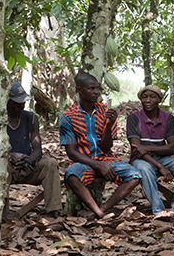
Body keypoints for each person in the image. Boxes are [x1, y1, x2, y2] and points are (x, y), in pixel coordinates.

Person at [57, 72, 141, 217]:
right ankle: (98, 212)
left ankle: (102, 210)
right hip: (83, 162)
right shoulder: (68, 117)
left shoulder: (105, 111)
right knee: (71, 175)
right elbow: (71, 153)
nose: (96, 92)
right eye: (91, 89)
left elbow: (106, 147)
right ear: (80, 90)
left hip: (106, 159)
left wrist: (108, 125)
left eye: (97, 88)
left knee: (134, 176)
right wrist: (97, 165)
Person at [3, 81, 61, 220]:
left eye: (23, 102)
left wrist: (28, 160)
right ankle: (2, 213)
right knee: (0, 166)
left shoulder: (31, 118)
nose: (21, 105)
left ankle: (53, 211)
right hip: (7, 167)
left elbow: (37, 149)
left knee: (50, 163)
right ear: (7, 102)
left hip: (27, 166)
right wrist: (10, 156)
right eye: (17, 103)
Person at [126, 85, 174, 215]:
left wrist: (147, 148)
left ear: (159, 99)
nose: (148, 100)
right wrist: (160, 167)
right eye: (144, 97)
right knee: (144, 169)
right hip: (141, 160)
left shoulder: (168, 118)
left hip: (161, 157)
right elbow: (137, 151)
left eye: (152, 97)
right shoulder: (134, 118)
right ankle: (158, 211)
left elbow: (172, 148)